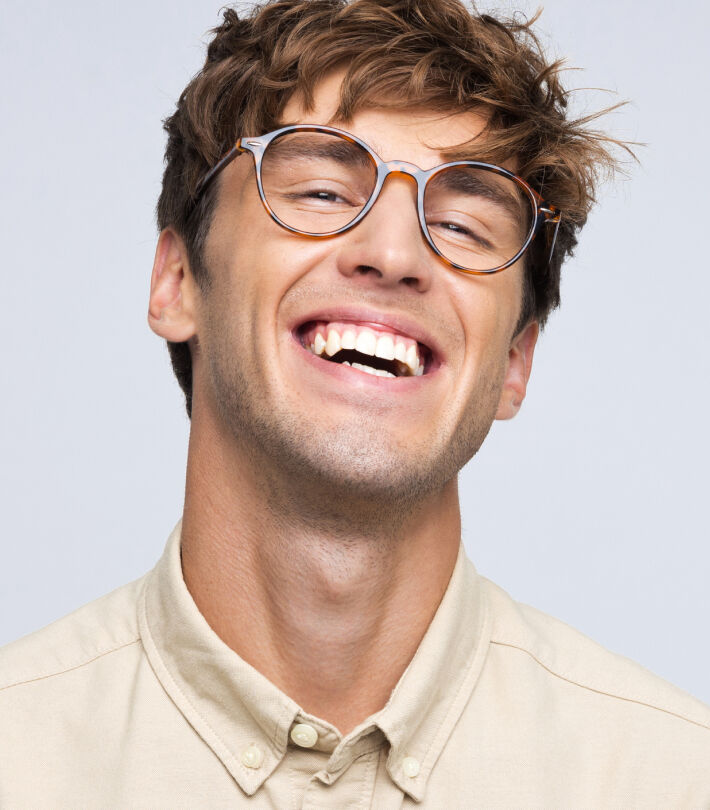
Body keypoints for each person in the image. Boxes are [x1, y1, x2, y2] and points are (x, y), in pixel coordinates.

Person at [1, 0, 708, 805]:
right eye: (322, 193)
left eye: (465, 226)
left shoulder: (676, 779)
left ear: (515, 361)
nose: (394, 254)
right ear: (176, 282)